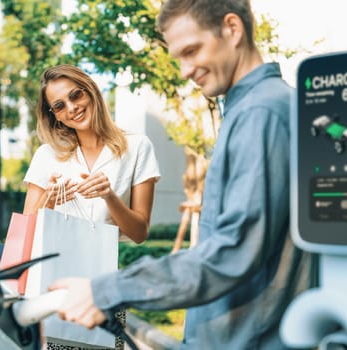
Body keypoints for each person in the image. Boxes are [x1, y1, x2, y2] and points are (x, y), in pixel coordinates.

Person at [48, 1, 314, 349]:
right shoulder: (254, 109)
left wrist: (105, 291)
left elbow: (233, 252)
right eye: (179, 58)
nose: (186, 70)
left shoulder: (260, 114)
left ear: (233, 29)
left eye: (192, 51)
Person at [23, 64, 161, 349]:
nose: (72, 107)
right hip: (50, 292)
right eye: (59, 106)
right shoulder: (47, 154)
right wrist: (48, 201)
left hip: (103, 290)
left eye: (76, 95)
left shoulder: (137, 147)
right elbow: (26, 230)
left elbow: (140, 232)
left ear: (91, 91)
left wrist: (109, 195)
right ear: (55, 116)